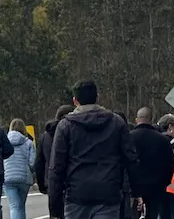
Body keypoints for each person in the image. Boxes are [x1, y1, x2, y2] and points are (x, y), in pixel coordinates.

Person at [48, 79, 142, 219]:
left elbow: (56, 167)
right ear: (97, 97)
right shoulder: (116, 123)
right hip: (108, 193)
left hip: (77, 194)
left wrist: (54, 206)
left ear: (75, 101)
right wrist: (136, 191)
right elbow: (131, 159)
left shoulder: (65, 126)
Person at [130, 108, 174, 219]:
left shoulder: (128, 138)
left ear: (137, 120)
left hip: (134, 187)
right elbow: (171, 163)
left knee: (133, 215)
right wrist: (165, 182)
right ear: (151, 120)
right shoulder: (162, 140)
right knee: (153, 214)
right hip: (156, 187)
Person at [36, 105, 74, 195]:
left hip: (53, 181)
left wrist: (42, 184)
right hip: (74, 181)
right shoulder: (76, 132)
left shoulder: (45, 136)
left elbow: (39, 162)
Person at [4, 119, 37, 219]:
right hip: (24, 177)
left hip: (7, 177)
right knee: (21, 206)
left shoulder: (4, 141)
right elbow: (32, 162)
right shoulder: (29, 143)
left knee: (14, 206)